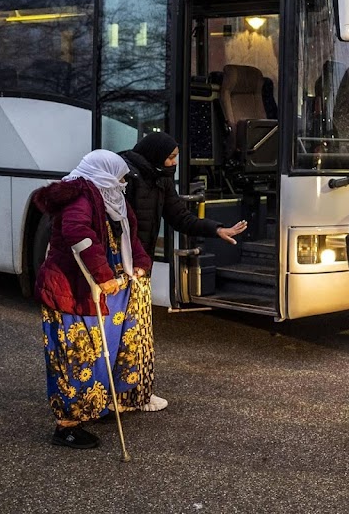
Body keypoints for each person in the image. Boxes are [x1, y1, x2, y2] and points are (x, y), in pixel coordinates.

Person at [32, 150, 153, 449]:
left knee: (103, 351)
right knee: (77, 356)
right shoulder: (80, 196)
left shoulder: (109, 195)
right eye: (120, 177)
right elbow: (77, 233)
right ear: (105, 173)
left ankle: (96, 403)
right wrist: (103, 276)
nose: (123, 183)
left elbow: (129, 234)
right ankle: (67, 425)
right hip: (74, 289)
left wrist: (140, 261)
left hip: (101, 290)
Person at [120, 132, 248, 412]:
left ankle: (137, 392)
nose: (175, 162)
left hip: (141, 268)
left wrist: (216, 229)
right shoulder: (125, 175)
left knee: (140, 332)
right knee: (120, 332)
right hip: (119, 267)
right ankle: (118, 394)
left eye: (176, 156)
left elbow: (180, 217)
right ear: (156, 155)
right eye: (171, 156)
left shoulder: (160, 178)